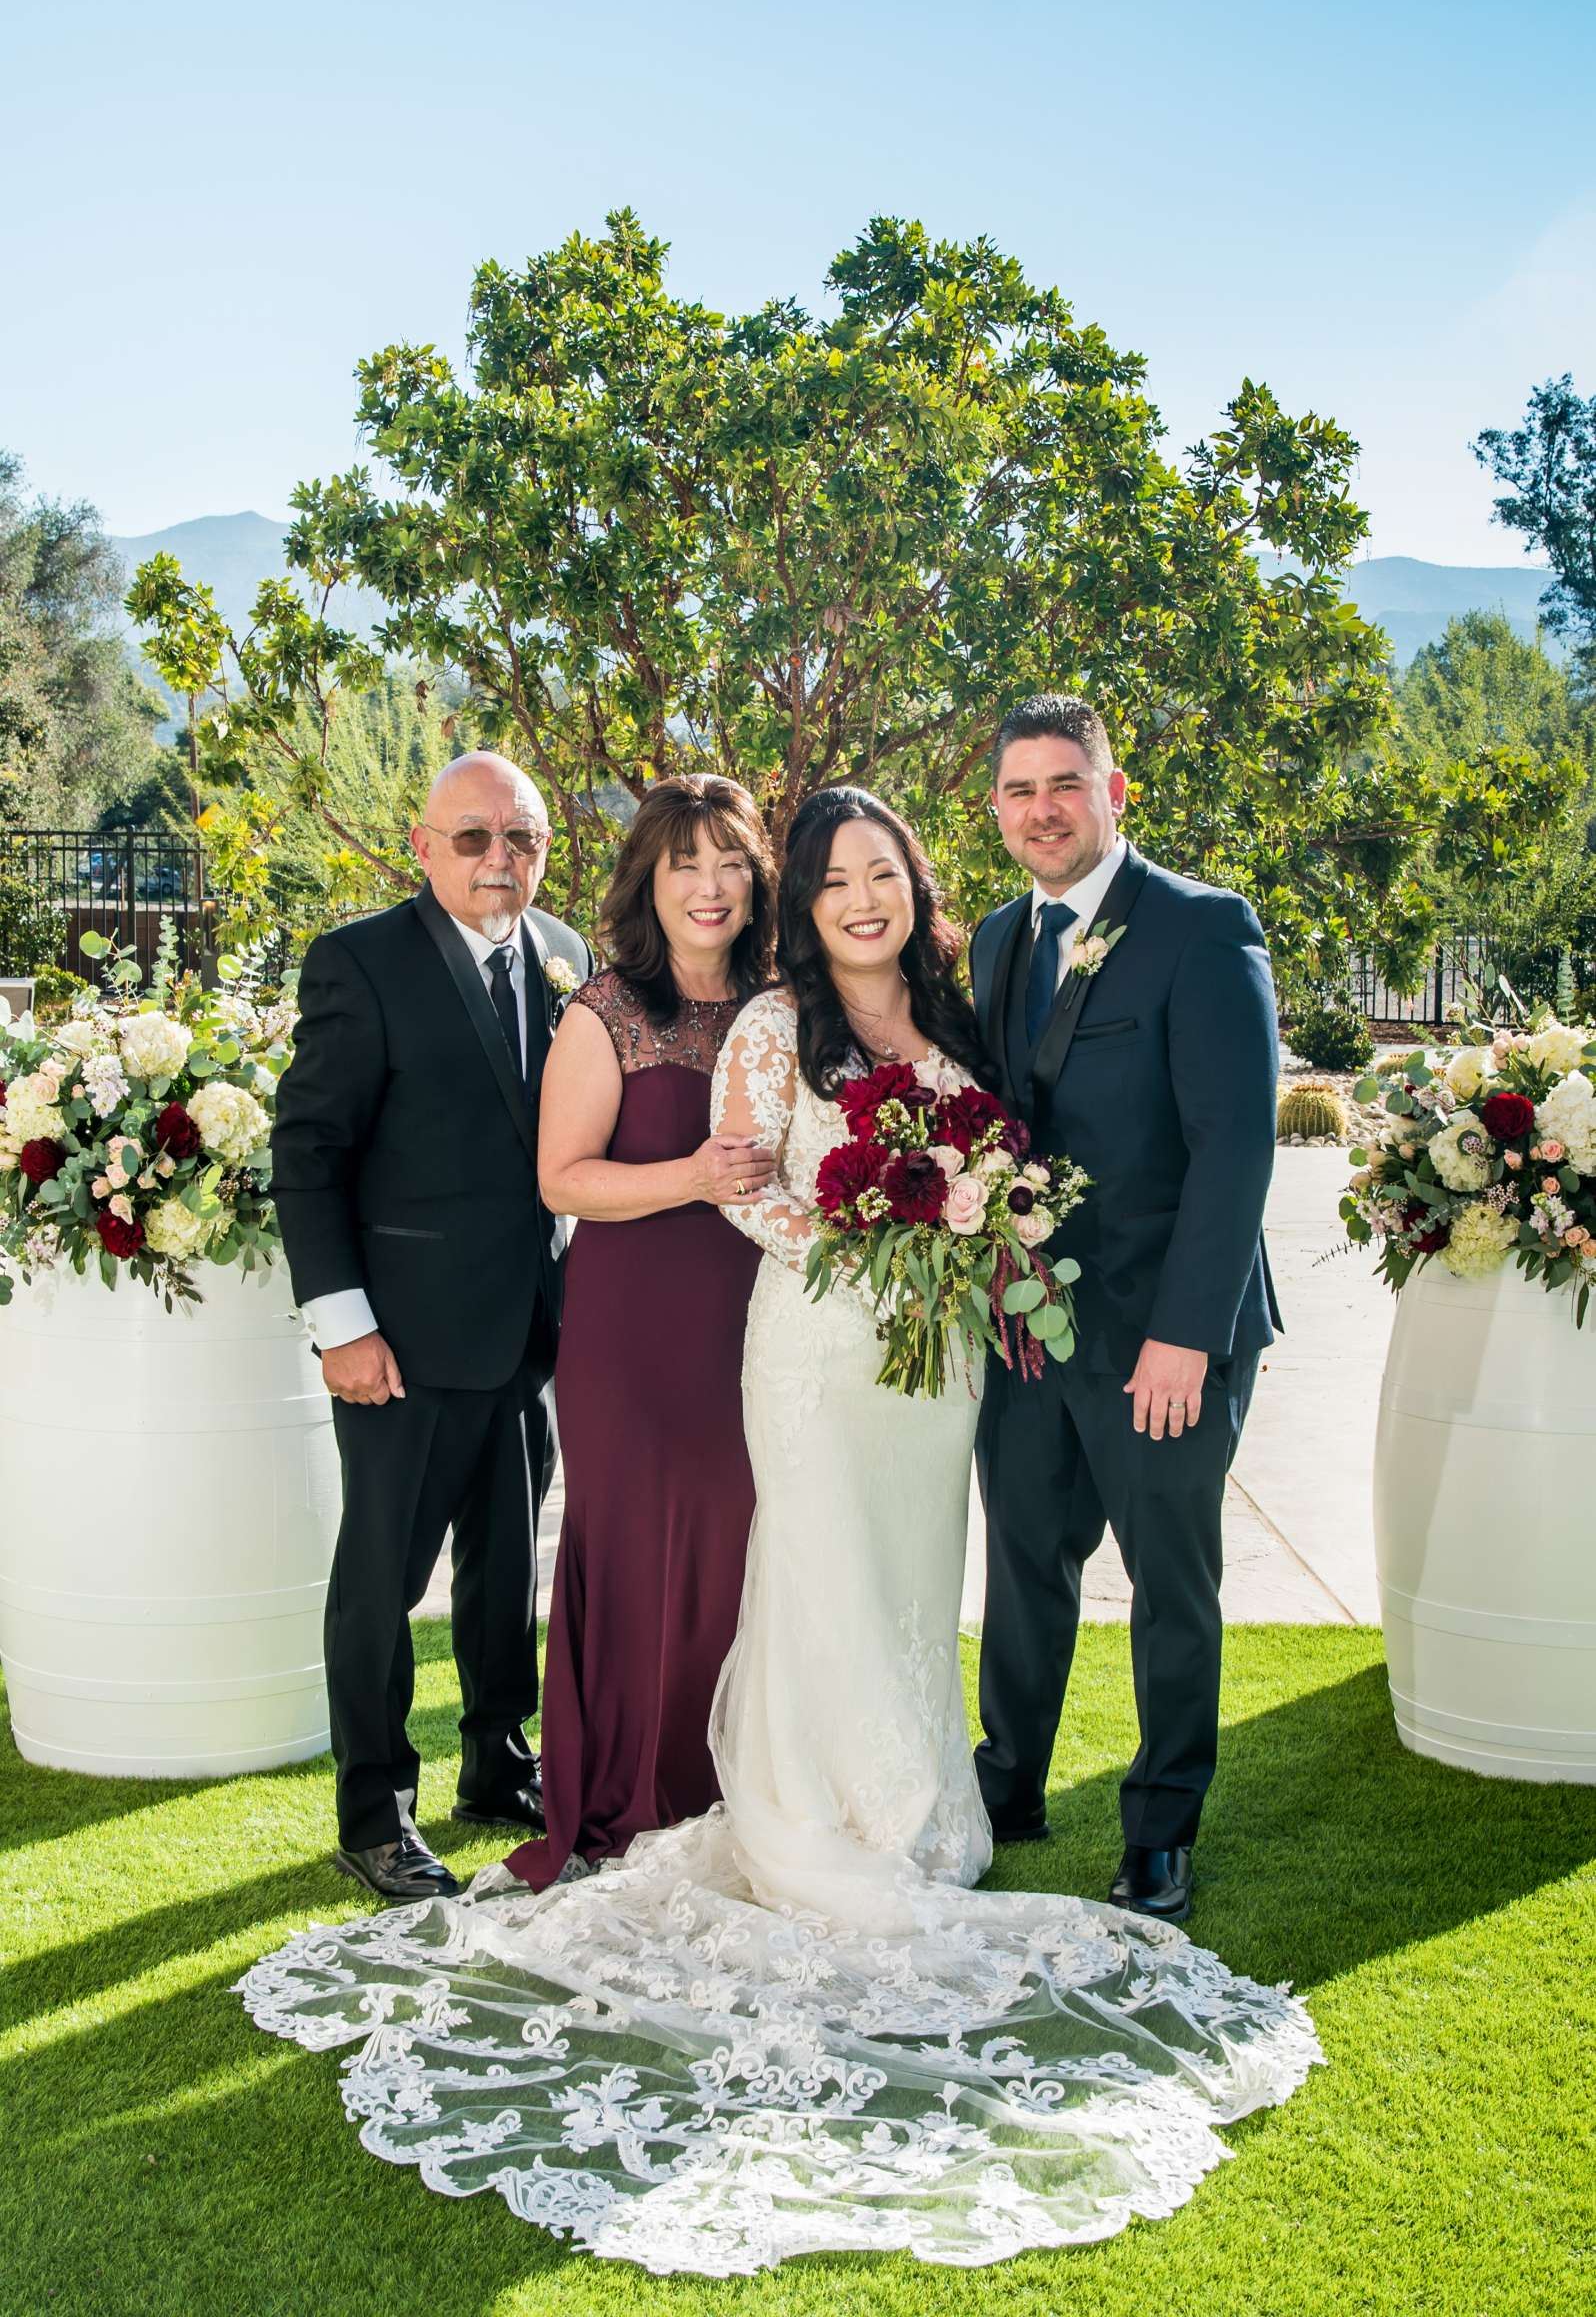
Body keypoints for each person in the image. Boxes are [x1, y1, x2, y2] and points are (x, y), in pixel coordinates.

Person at [239, 783, 1318, 2276]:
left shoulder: (963, 997)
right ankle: (726, 1808)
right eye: (830, 880)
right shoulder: (719, 1016)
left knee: (899, 1577)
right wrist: (889, 1237)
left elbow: (1011, 1166)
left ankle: (924, 1798)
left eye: (880, 875)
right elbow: (741, 1186)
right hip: (797, 1337)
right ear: (796, 903)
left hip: (931, 1368)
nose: (854, 898)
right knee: (773, 1568)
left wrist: (976, 1244)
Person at [970, 693, 1282, 1922]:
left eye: (1065, 784)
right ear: (996, 809)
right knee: (1023, 1563)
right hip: (1032, 1329)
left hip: (1166, 1333)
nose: (1043, 810)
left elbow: (1236, 1148)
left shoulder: (1202, 930)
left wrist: (1187, 1336)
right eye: (1019, 791)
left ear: (1114, 791)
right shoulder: (998, 939)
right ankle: (1007, 1786)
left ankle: (1160, 1828)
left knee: (1170, 1581)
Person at [271, 751, 592, 1903]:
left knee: (507, 1571)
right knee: (382, 1579)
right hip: (397, 1346)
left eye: (524, 839)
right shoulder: (358, 962)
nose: (500, 861)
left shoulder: (567, 957)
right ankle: (374, 1812)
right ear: (423, 844)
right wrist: (342, 1326)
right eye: (474, 839)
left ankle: (498, 1764)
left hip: (529, 1333)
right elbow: (307, 1159)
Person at [504, 775, 777, 1888]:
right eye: (684, 865)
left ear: (758, 880)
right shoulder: (606, 1010)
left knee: (742, 1555)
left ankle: (738, 1789)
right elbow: (560, 1180)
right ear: (648, 883)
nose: (708, 887)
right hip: (632, 1337)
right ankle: (625, 1795)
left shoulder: (785, 1004)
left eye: (728, 864)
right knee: (635, 1552)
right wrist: (697, 1175)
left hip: (762, 1330)